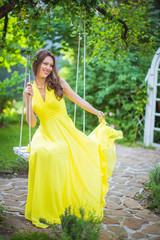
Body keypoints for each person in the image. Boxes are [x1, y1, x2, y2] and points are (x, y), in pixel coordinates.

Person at [23, 49, 123, 228]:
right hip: (44, 133)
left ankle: (61, 202)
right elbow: (31, 123)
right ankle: (44, 204)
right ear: (37, 63)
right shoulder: (29, 90)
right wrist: (29, 99)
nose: (48, 67)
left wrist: (97, 112)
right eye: (45, 63)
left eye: (51, 65)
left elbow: (79, 100)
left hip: (65, 131)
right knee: (40, 153)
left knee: (58, 152)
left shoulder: (58, 83)